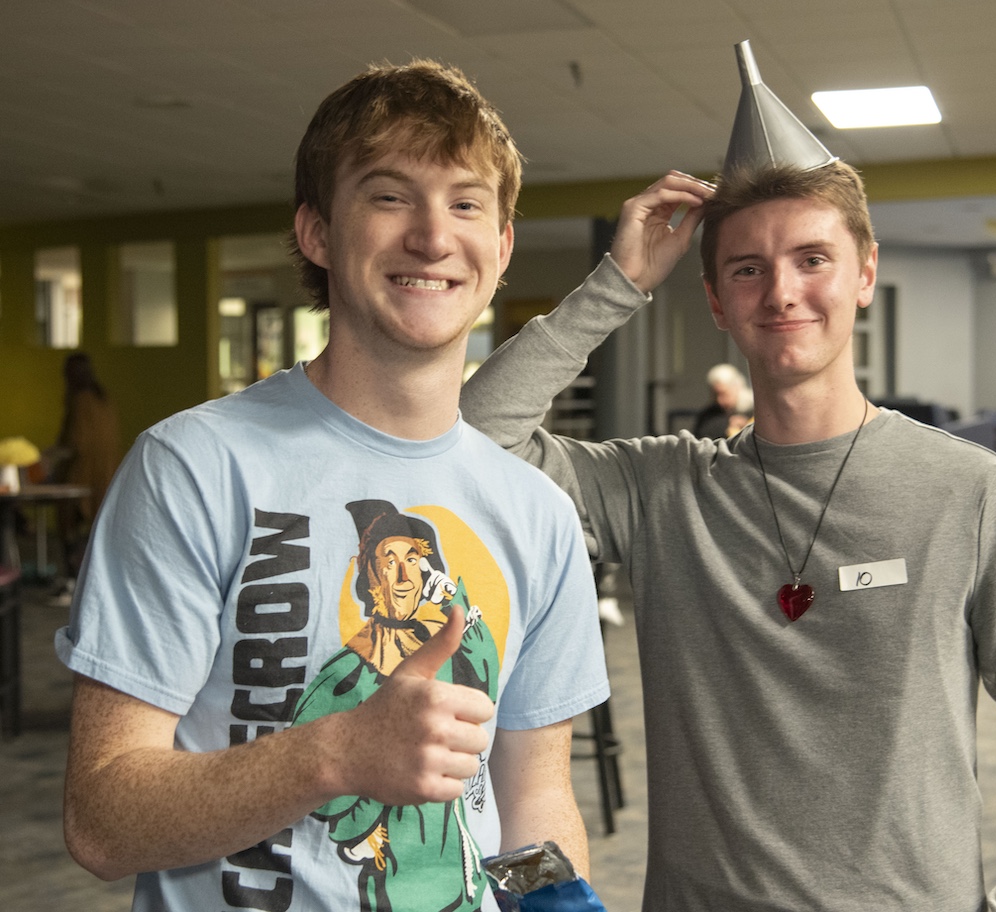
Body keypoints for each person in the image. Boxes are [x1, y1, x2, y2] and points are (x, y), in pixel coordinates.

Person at [460, 159, 996, 909]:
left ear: (865, 273)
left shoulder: (973, 494)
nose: (781, 291)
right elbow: (477, 439)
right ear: (714, 300)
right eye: (747, 269)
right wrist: (619, 280)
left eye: (813, 259)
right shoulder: (662, 491)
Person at [55, 59, 609, 912]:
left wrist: (552, 899)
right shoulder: (196, 467)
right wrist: (337, 755)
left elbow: (535, 802)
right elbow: (101, 819)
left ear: (500, 249)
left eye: (466, 203)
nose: (432, 236)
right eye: (390, 197)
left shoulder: (536, 513)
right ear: (316, 232)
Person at [51, 351, 121, 581]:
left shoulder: (81, 400)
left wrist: (47, 457)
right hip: (106, 478)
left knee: (71, 531)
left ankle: (72, 581)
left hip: (81, 478)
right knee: (93, 534)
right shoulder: (104, 398)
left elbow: (75, 444)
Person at [692, 362, 752, 438]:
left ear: (737, 388)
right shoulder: (708, 415)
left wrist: (746, 427)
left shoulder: (755, 411)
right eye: (715, 395)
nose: (719, 400)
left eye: (724, 394)